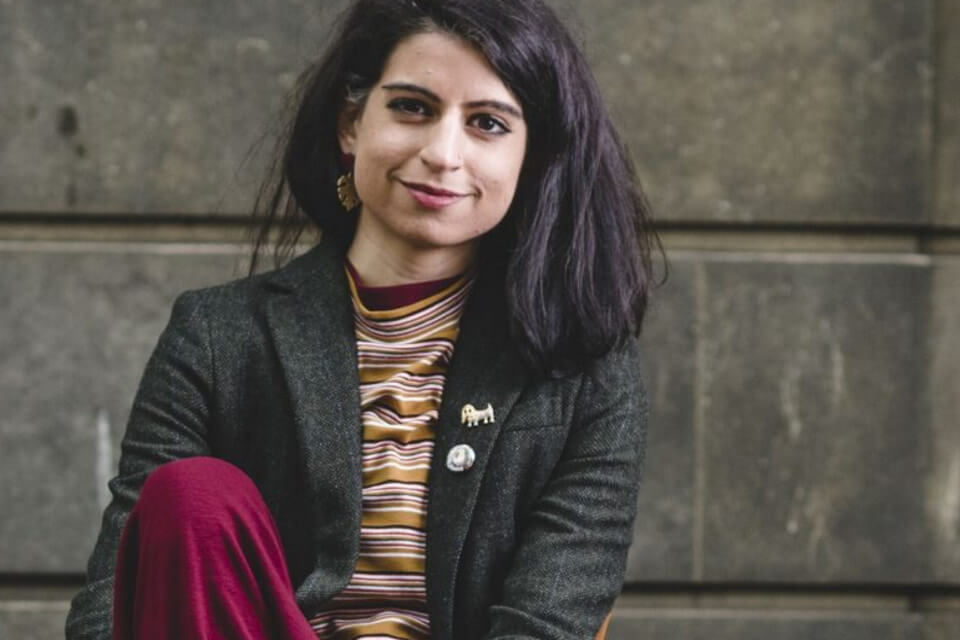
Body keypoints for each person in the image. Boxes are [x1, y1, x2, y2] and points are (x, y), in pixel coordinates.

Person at [65, 0, 661, 638]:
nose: (442, 153)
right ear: (352, 123)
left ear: (531, 159)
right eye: (412, 107)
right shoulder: (217, 334)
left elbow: (549, 621)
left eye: (487, 123)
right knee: (192, 496)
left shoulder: (585, 368)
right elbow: (114, 603)